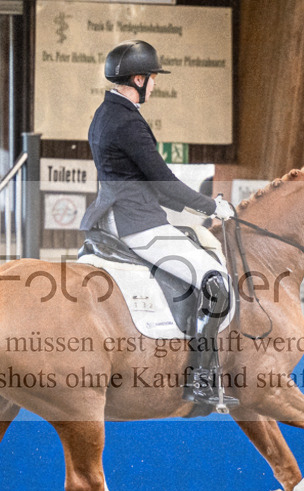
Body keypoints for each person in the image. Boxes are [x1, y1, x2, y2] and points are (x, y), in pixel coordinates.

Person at [80, 39, 237, 407]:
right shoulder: (126, 121)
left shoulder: (105, 114)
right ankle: (201, 380)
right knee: (216, 281)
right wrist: (213, 207)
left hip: (119, 216)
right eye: (152, 78)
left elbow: (155, 185)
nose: (155, 84)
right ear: (137, 79)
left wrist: (200, 207)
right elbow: (162, 178)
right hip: (136, 223)